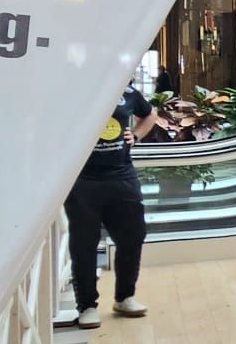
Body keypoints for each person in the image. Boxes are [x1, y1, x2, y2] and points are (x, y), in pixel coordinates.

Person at [65, 81, 166, 328]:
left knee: (133, 237)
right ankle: (87, 306)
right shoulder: (73, 92)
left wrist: (137, 135)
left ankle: (124, 297)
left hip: (122, 176)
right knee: (84, 245)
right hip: (82, 179)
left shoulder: (128, 92)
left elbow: (150, 113)